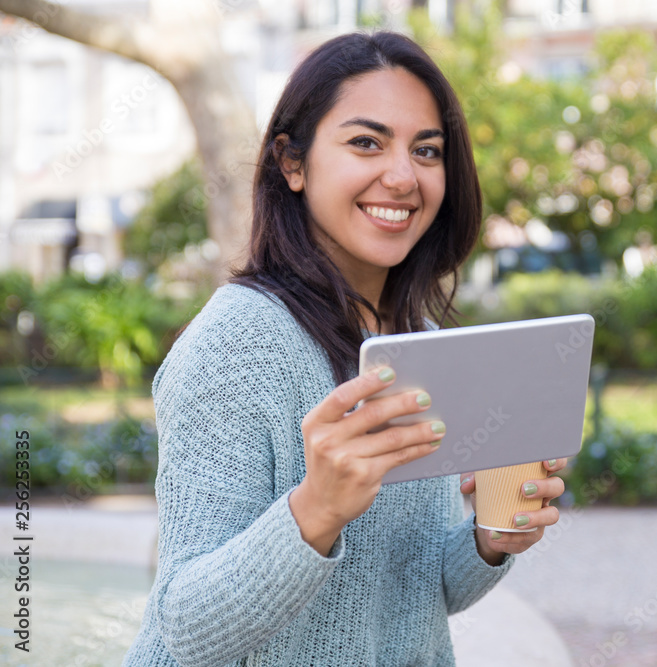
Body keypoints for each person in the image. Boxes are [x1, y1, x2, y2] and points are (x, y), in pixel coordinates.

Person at [123, 31, 566, 666]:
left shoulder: (417, 343)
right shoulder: (234, 346)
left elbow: (414, 589)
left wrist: (489, 536)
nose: (401, 176)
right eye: (366, 142)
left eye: (427, 150)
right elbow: (187, 628)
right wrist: (316, 508)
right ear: (292, 163)